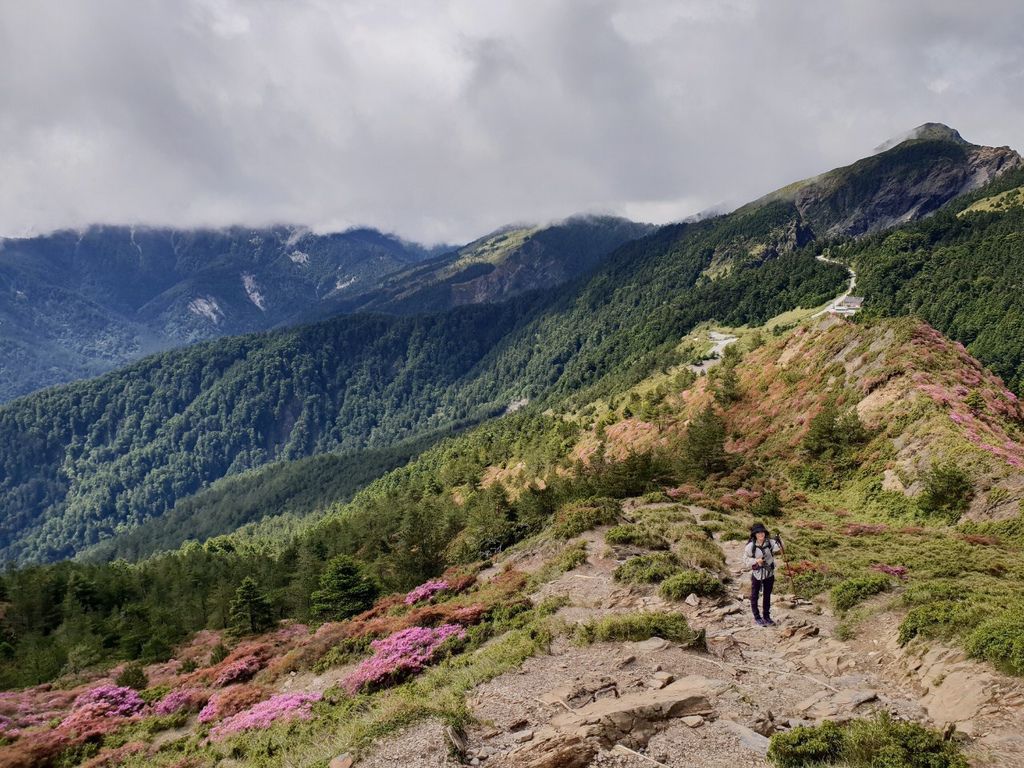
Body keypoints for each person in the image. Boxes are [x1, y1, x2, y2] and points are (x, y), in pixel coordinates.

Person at [744, 522, 783, 626]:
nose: (761, 534)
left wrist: (779, 539)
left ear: (765, 533)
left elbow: (780, 547)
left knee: (767, 596)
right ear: (755, 534)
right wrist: (756, 561)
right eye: (758, 533)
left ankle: (766, 616)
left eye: (762, 532)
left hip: (769, 574)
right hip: (757, 574)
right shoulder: (750, 547)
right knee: (754, 596)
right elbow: (745, 560)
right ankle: (757, 617)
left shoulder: (771, 542)